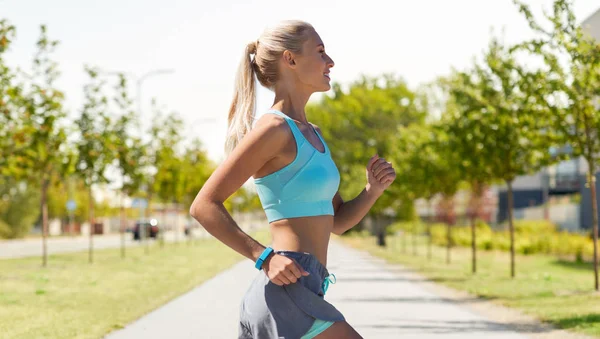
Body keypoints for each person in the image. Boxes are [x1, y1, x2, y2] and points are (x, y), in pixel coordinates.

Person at [189, 20, 396, 339]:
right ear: (290, 59)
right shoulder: (273, 130)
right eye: (321, 52)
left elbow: (337, 223)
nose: (331, 62)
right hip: (284, 291)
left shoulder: (314, 135)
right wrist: (263, 257)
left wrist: (372, 191)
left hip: (307, 287)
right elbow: (203, 205)